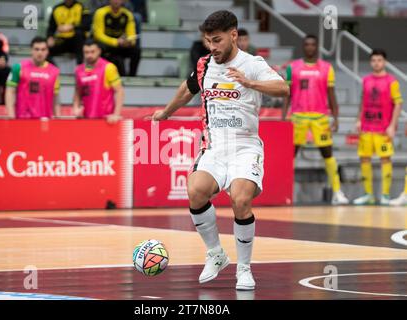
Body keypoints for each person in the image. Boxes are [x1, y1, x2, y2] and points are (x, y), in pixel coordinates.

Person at [152, 11, 289, 291]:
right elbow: (187, 89)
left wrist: (251, 84)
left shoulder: (252, 64)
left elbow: (282, 88)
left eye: (217, 40)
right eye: (207, 41)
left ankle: (244, 269)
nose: (212, 47)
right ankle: (216, 254)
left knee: (240, 199)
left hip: (245, 146)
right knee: (195, 189)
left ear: (234, 35)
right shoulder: (204, 65)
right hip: (214, 147)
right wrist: (166, 112)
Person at [282, 35, 349, 205]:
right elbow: (286, 93)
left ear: (317, 47)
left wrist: (336, 117)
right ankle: (285, 193)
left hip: (320, 117)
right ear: (303, 46)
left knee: (328, 154)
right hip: (298, 117)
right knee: (290, 155)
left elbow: (331, 95)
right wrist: (283, 117)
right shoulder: (292, 67)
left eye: (313, 44)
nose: (310, 47)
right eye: (307, 44)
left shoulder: (327, 68)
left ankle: (337, 192)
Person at [353, 49, 403, 205]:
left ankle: (385, 195)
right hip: (367, 127)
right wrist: (358, 119)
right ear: (370, 62)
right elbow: (363, 100)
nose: (376, 63)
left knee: (385, 159)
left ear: (385, 62)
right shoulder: (366, 80)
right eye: (373, 60)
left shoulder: (392, 81)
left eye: (379, 60)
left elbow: (398, 104)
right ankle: (368, 195)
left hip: (383, 129)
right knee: (364, 158)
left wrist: (392, 125)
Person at [5, 37, 60, 119]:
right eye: (36, 49)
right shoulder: (18, 68)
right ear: (31, 50)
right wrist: (11, 116)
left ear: (47, 51)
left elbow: (56, 99)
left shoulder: (55, 72)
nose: (40, 52)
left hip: (45, 120)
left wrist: (58, 117)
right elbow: (10, 92)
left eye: (43, 49)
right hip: (23, 119)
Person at [73, 39, 124, 123]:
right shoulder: (78, 70)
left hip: (106, 120)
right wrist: (76, 108)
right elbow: (78, 91)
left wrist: (116, 114)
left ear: (99, 51)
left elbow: (119, 91)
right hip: (86, 119)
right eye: (86, 52)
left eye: (92, 52)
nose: (89, 55)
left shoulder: (108, 67)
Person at [92, 0, 141, 76]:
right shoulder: (100, 13)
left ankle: (132, 76)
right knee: (99, 46)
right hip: (107, 44)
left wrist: (129, 42)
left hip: (121, 45)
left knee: (136, 50)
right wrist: (116, 42)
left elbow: (132, 35)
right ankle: (97, 73)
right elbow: (98, 35)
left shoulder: (127, 15)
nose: (116, 1)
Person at [46, 0, 90, 65]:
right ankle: (53, 69)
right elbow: (51, 28)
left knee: (79, 34)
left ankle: (80, 67)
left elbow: (87, 25)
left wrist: (72, 27)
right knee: (44, 47)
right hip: (63, 40)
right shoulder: (57, 8)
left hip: (78, 41)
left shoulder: (81, 6)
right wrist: (50, 37)